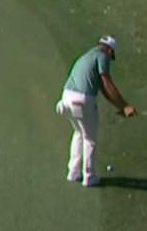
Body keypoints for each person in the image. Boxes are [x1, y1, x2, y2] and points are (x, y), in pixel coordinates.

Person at [56, 36, 138, 187]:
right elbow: (107, 83)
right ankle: (89, 176)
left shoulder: (88, 55)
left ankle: (73, 172)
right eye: (111, 54)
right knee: (90, 139)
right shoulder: (102, 56)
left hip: (66, 99)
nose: (110, 58)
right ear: (109, 49)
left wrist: (121, 107)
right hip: (82, 101)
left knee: (79, 133)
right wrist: (125, 106)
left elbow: (103, 88)